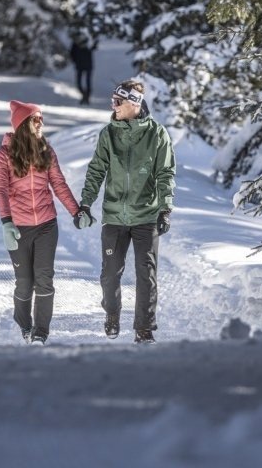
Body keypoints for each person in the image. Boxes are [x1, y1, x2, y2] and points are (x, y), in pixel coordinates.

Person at [74, 79, 176, 344]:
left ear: (134, 103)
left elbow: (165, 173)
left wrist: (165, 208)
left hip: (146, 215)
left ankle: (144, 328)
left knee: (146, 274)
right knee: (110, 274)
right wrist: (85, 204)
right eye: (113, 101)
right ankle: (112, 314)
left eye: (118, 102)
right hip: (115, 216)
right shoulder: (108, 134)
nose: (113, 106)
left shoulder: (157, 134)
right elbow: (96, 171)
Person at [0, 100, 82, 345]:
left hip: (46, 225)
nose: (41, 122)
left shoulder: (46, 151)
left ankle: (41, 331)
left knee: (44, 279)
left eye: (42, 118)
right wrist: (6, 222)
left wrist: (76, 212)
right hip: (18, 227)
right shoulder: (3, 155)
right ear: (23, 124)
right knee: (25, 283)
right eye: (35, 118)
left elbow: (59, 184)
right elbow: (0, 190)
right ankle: (24, 323)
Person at [69, 34, 96, 105]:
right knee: (80, 83)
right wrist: (75, 61)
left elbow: (94, 47)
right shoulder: (76, 43)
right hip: (81, 65)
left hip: (87, 65)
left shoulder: (88, 41)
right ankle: (85, 96)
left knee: (87, 82)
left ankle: (86, 97)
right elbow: (72, 53)